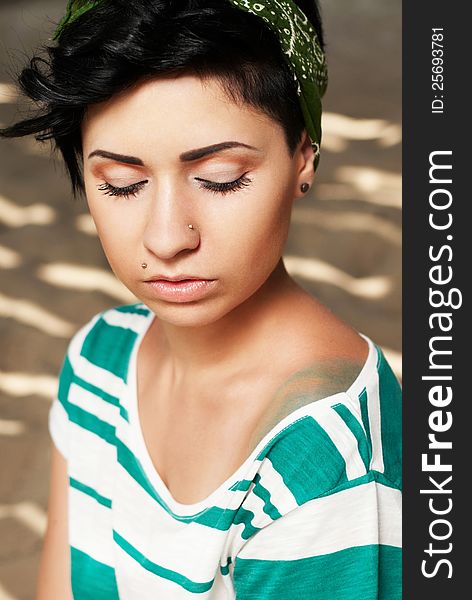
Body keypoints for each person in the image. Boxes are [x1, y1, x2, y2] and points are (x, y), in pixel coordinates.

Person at [0, 0, 402, 598]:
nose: (166, 238)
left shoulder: (326, 454)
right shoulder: (98, 362)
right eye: (122, 184)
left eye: (219, 177)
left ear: (303, 157)